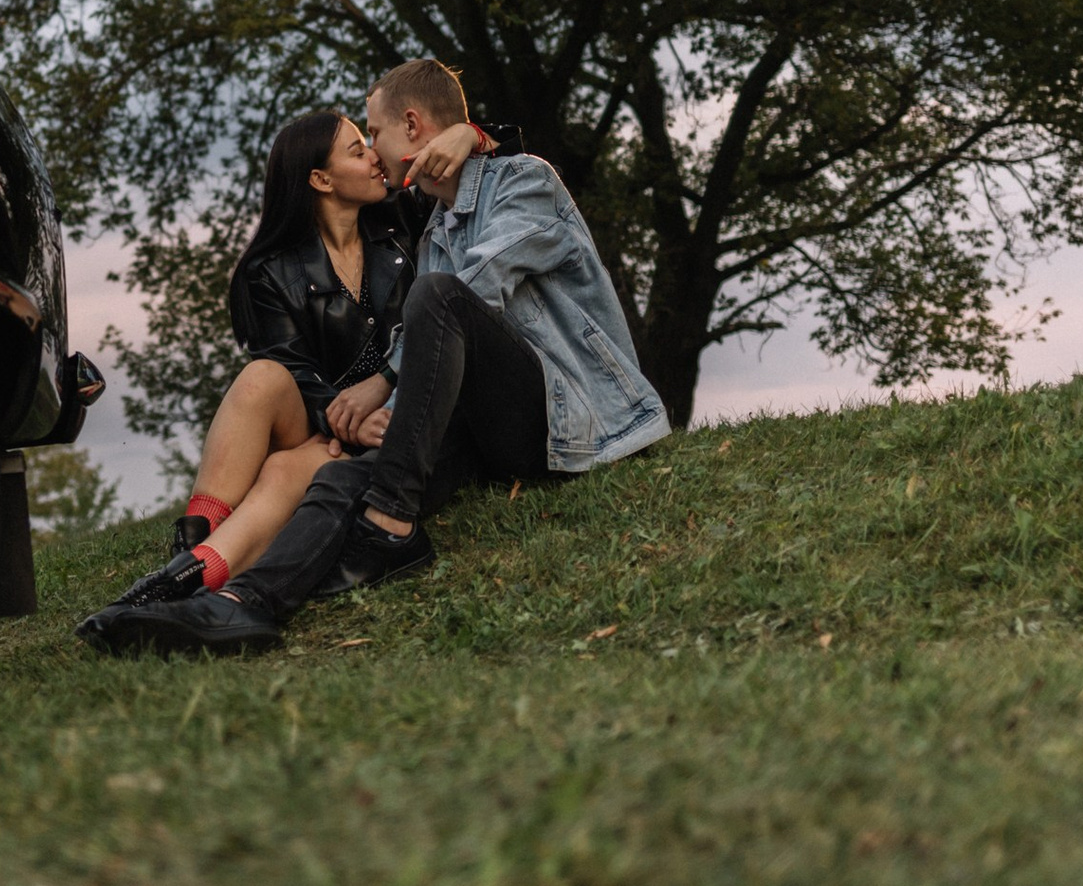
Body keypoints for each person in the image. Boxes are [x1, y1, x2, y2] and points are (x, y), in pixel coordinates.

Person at [83, 59, 669, 655]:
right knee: (341, 475)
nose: (372, 152)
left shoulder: (524, 181)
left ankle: (390, 523)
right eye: (358, 144)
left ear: (411, 126)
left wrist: (385, 378)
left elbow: (478, 283)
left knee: (437, 294)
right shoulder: (431, 230)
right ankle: (238, 603)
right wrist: (370, 411)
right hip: (471, 428)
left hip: (563, 417)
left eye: (374, 134)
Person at [78, 106, 496, 623]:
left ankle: (188, 579)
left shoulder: (405, 217)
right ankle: (191, 544)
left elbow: (494, 169)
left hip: (402, 413)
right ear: (321, 179)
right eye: (357, 150)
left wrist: (469, 133)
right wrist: (347, 418)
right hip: (327, 421)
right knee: (262, 378)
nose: (374, 157)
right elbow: (294, 371)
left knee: (285, 470)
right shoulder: (269, 271)